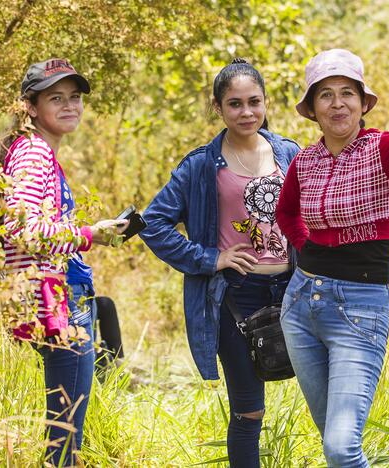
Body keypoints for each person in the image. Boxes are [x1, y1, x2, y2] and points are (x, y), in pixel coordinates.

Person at [275, 48, 389, 467]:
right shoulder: (305, 161)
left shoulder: (385, 150)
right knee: (333, 440)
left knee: (340, 447)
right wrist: (308, 250)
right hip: (300, 307)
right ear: (313, 109)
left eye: (347, 93)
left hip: (360, 308)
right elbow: (286, 212)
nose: (338, 103)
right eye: (326, 95)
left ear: (363, 102)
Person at [140, 59, 300, 467]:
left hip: (294, 293)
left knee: (323, 392)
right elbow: (152, 223)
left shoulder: (290, 153)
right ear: (218, 107)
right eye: (235, 104)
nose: (246, 112)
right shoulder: (200, 165)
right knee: (249, 410)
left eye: (254, 102)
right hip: (235, 298)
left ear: (265, 102)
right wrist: (212, 258)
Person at [0, 58, 128, 466]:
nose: (70, 105)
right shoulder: (35, 152)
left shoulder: (36, 150)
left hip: (60, 294)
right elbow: (22, 229)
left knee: (64, 429)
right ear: (31, 107)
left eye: (75, 98)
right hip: (58, 300)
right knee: (66, 435)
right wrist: (91, 234)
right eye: (57, 98)